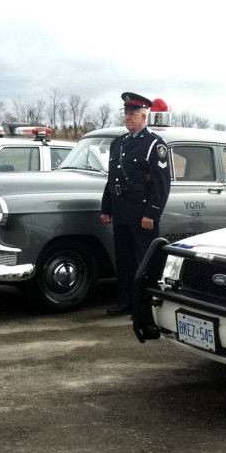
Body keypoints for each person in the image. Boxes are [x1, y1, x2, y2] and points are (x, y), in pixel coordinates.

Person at [100, 92, 171, 316]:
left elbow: (161, 184)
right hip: (121, 210)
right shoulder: (118, 143)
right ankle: (126, 302)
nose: (128, 117)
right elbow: (112, 178)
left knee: (145, 261)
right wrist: (106, 207)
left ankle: (145, 305)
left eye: (132, 113)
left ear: (143, 116)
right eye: (126, 113)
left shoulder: (154, 144)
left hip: (142, 213)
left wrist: (152, 213)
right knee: (124, 260)